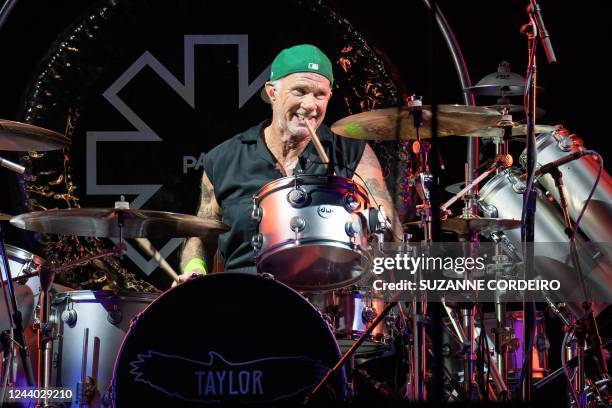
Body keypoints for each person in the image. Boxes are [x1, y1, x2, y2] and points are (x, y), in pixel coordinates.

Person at [177, 44, 401, 283]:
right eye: (300, 91)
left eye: (320, 94)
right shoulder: (224, 159)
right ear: (272, 92)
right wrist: (195, 268)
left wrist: (371, 222)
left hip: (326, 299)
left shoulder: (351, 153)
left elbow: (390, 233)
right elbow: (201, 235)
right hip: (242, 300)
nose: (310, 105)